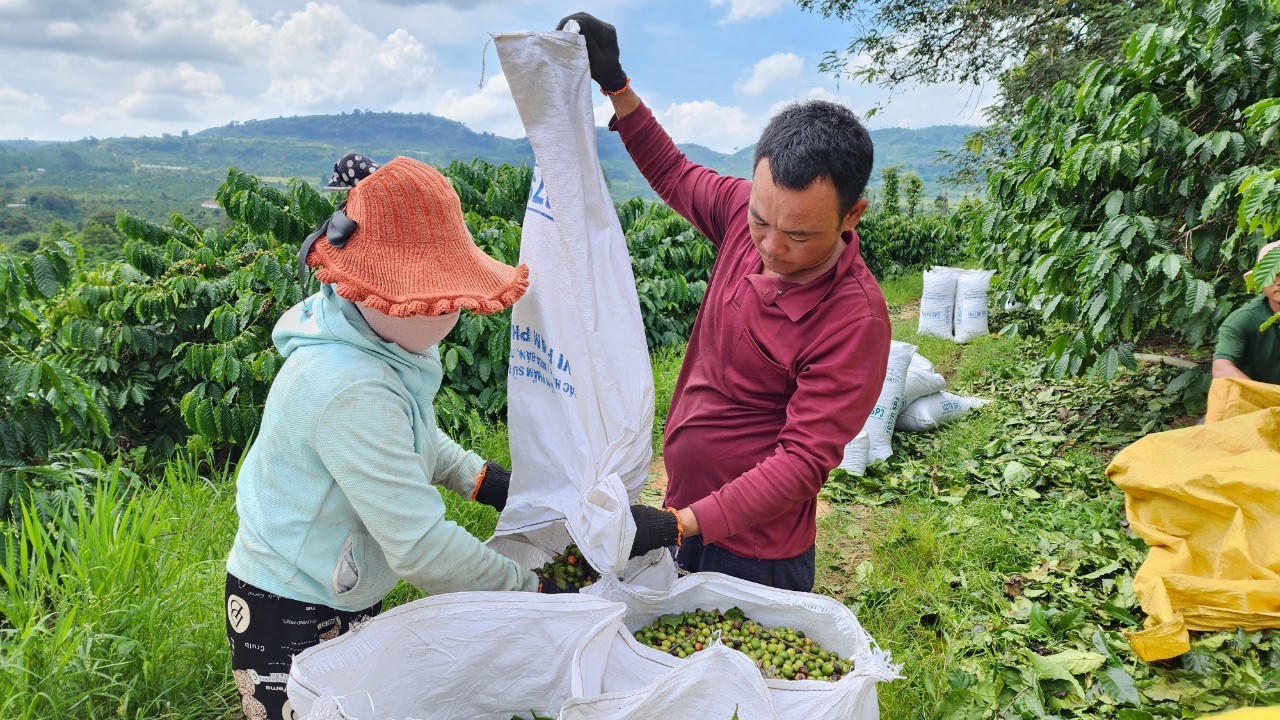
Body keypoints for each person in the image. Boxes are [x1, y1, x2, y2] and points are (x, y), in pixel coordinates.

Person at [561, 13, 892, 591]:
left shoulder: (853, 321)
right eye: (762, 221)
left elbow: (799, 465)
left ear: (851, 216)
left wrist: (679, 525)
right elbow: (673, 171)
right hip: (686, 517)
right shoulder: (742, 218)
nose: (771, 246)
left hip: (755, 552)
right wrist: (616, 84)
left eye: (799, 236)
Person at [224, 155, 562, 720]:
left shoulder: (380, 341)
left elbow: (414, 437)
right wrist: (530, 593)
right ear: (376, 293)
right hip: (288, 605)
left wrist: (481, 480)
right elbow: (422, 548)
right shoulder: (348, 387)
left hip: (344, 581)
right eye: (439, 299)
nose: (451, 311)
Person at [1213, 239, 1280, 386]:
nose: (1279, 281)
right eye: (1274, 274)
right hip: (1258, 402)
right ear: (1260, 282)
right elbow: (1221, 368)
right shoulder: (1243, 320)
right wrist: (1266, 395)